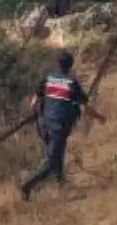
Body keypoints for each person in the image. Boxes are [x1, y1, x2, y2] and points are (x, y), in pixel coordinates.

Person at [20, 50, 90, 201]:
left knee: (57, 154)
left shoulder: (48, 78)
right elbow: (84, 99)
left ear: (57, 64)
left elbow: (36, 99)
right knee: (52, 161)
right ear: (71, 65)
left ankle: (62, 186)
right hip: (58, 127)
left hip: (43, 125)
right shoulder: (72, 83)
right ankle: (27, 185)